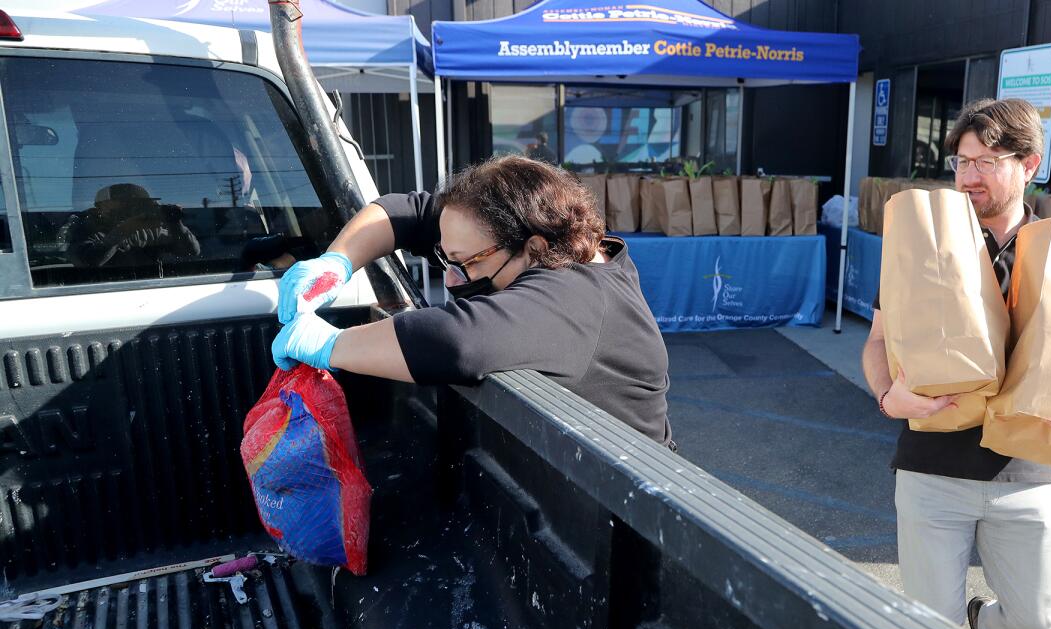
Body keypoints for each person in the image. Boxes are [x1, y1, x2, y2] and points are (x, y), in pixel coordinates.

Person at [861, 98, 1051, 629]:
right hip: (931, 470)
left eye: (988, 161)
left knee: (1038, 619)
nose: (970, 176)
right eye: (963, 162)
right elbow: (877, 341)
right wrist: (889, 396)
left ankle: (979, 628)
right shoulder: (924, 246)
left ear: (1030, 165)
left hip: (1025, 474)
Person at [271, 155, 672, 446]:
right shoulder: (531, 240)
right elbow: (402, 212)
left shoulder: (576, 296)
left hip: (624, 510)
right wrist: (336, 262)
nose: (449, 276)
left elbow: (457, 341)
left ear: (532, 247)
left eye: (465, 263)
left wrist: (326, 344)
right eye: (447, 257)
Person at [59, 183, 201, 279]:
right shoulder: (86, 226)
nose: (135, 211)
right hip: (99, 297)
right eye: (127, 205)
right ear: (101, 207)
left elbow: (191, 251)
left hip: (151, 293)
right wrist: (124, 230)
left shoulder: (150, 229)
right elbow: (87, 261)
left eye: (141, 205)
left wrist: (175, 223)